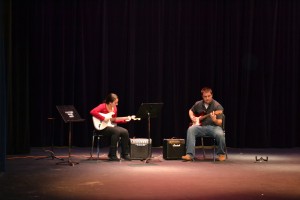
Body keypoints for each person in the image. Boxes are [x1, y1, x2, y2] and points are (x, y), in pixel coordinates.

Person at [182, 87, 226, 161]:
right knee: (191, 129)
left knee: (220, 134)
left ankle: (221, 154)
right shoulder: (198, 104)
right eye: (205, 96)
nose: (207, 98)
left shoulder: (217, 106)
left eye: (209, 96)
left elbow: (220, 122)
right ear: (202, 97)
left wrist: (214, 120)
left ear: (212, 95)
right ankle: (189, 155)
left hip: (214, 127)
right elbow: (190, 110)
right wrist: (192, 117)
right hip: (201, 127)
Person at [90, 93, 132, 161]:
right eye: (115, 103)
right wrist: (103, 118)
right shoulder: (103, 106)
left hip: (110, 126)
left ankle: (125, 154)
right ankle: (112, 155)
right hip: (101, 127)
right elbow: (92, 112)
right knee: (116, 131)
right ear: (110, 102)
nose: (117, 104)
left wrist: (125, 120)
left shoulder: (114, 108)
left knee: (125, 131)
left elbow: (113, 120)